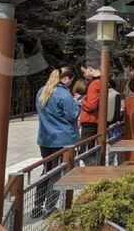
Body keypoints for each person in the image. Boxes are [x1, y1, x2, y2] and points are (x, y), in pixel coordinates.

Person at [33, 67, 79, 218]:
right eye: (70, 81)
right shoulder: (64, 93)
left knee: (46, 170)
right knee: (57, 173)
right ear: (66, 79)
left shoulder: (42, 91)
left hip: (45, 138)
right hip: (62, 139)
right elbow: (72, 115)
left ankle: (37, 206)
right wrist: (78, 104)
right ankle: (50, 207)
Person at [79, 59, 101, 144]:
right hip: (94, 120)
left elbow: (91, 106)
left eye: (84, 72)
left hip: (89, 121)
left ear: (89, 69)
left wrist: (82, 100)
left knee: (86, 148)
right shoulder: (100, 81)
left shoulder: (94, 84)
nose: (84, 75)